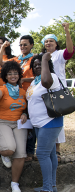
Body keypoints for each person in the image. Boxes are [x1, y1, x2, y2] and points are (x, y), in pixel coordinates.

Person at [26, 53, 63, 192]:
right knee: (51, 154)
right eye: (35, 65)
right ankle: (51, 184)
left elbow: (46, 83)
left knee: (41, 154)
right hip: (40, 124)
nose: (37, 66)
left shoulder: (51, 77)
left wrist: (45, 60)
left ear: (47, 64)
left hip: (50, 122)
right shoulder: (35, 81)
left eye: (40, 64)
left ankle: (47, 190)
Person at [0, 61, 28, 192]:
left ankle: (14, 183)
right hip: (3, 122)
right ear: (5, 76)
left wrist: (24, 114)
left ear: (19, 75)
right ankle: (4, 152)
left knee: (21, 154)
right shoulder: (2, 88)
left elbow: (26, 107)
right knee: (9, 149)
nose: (13, 76)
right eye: (10, 73)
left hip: (19, 123)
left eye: (15, 73)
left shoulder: (23, 91)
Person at [40, 23, 74, 162]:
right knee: (47, 118)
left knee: (58, 118)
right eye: (46, 41)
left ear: (56, 43)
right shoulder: (41, 56)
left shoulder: (60, 54)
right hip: (45, 91)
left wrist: (67, 32)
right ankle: (49, 149)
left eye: (51, 41)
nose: (48, 43)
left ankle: (57, 150)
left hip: (58, 91)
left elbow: (70, 51)